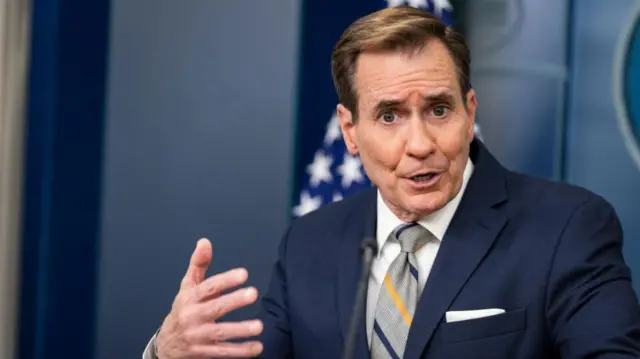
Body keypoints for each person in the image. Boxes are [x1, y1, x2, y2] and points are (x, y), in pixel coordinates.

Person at [143, 6, 640, 359]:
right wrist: (168, 352)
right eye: (389, 116)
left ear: (470, 112)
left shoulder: (567, 227)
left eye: (439, 109)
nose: (420, 143)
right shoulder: (310, 243)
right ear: (350, 131)